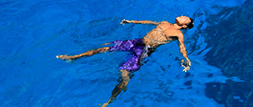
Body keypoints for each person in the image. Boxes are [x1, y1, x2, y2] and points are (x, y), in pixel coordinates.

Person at [57, 16, 194, 106]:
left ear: (184, 26)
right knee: (105, 48)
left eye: (185, 18)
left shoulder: (178, 34)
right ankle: (73, 57)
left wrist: (185, 58)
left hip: (145, 50)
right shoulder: (164, 23)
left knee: (124, 74)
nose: (182, 16)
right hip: (137, 42)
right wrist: (132, 22)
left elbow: (182, 46)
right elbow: (149, 22)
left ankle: (110, 100)